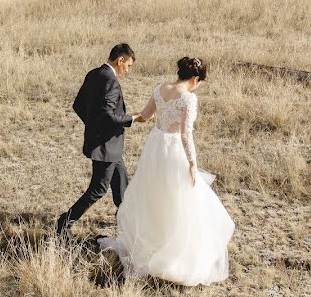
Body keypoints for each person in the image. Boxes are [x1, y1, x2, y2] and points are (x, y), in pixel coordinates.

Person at [98, 57, 235, 286]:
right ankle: (172, 251)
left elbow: (146, 115)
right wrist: (192, 163)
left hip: (155, 145)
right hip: (173, 149)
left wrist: (124, 120)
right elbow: (185, 135)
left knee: (153, 194)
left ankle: (150, 241)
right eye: (199, 81)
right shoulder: (188, 99)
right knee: (178, 198)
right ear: (194, 79)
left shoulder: (160, 87)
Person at [56, 43, 144, 236]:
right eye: (128, 66)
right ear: (120, 60)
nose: (127, 71)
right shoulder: (111, 81)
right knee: (98, 189)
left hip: (110, 146)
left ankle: (128, 226)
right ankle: (64, 222)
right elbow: (109, 117)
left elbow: (78, 105)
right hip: (106, 146)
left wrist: (93, 126)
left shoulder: (94, 74)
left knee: (121, 188)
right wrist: (134, 118)